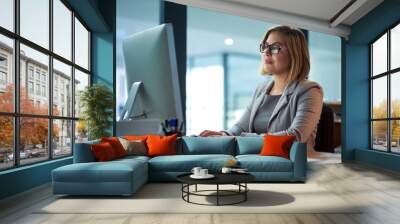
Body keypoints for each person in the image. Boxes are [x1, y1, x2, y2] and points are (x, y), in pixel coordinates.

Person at [199, 25, 323, 152]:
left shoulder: (310, 90)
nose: (266, 52)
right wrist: (224, 135)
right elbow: (241, 127)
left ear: (294, 53)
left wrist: (245, 139)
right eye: (264, 47)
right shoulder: (262, 88)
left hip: (291, 165)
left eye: (275, 47)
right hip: (256, 162)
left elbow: (294, 136)